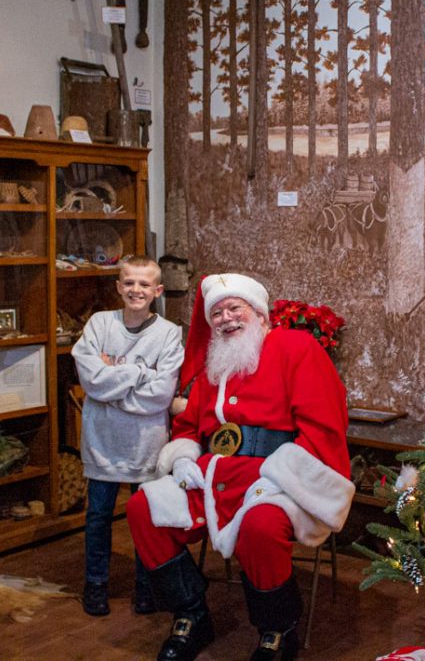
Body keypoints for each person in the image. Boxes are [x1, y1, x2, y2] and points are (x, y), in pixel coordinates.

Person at [127, 273, 354, 661]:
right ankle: (191, 614)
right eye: (217, 313)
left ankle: (277, 628)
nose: (226, 318)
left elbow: (324, 425)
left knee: (260, 526)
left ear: (261, 315)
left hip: (280, 477)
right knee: (142, 508)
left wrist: (277, 477)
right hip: (214, 475)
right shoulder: (216, 363)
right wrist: (183, 458)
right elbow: (188, 425)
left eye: (235, 308)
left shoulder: (295, 347)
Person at [71, 256, 184, 617]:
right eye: (130, 283)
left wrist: (115, 380)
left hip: (146, 442)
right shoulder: (99, 324)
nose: (136, 290)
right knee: (98, 517)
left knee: (145, 519)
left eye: (144, 284)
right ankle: (95, 585)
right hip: (102, 440)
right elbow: (91, 380)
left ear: (157, 291)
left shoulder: (169, 333)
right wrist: (140, 373)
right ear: (118, 287)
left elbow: (161, 396)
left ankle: (146, 587)